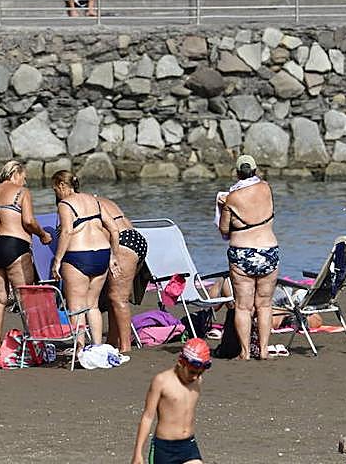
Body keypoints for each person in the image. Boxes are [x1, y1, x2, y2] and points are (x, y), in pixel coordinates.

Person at [0, 160, 52, 354]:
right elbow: (28, 221)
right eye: (24, 177)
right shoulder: (22, 192)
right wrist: (43, 234)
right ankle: (35, 342)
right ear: (16, 174)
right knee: (26, 297)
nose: (24, 182)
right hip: (13, 245)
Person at [217, 154, 279, 360]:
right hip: (269, 250)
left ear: (237, 173)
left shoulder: (232, 198)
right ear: (255, 170)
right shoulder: (266, 188)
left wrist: (221, 206)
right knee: (265, 304)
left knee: (243, 306)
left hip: (243, 252)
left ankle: (245, 352)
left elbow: (224, 230)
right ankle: (263, 350)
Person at [51, 170, 119, 349]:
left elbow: (66, 232)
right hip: (102, 255)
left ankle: (79, 348)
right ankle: (97, 347)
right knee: (93, 306)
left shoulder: (65, 204)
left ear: (62, 185)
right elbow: (114, 229)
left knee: (76, 307)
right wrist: (114, 255)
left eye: (55, 189)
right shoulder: (95, 200)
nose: (56, 194)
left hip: (78, 256)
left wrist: (57, 260)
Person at [131, 337, 210, 464]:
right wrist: (138, 452)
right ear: (181, 362)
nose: (195, 377)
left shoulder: (197, 381)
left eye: (200, 373)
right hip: (164, 447)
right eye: (192, 372)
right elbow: (148, 417)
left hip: (188, 445)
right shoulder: (162, 381)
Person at [91, 190, 147, 353]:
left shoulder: (82, 205)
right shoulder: (103, 200)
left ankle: (125, 347)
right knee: (113, 296)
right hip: (135, 238)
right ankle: (112, 341)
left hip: (122, 243)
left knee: (118, 298)